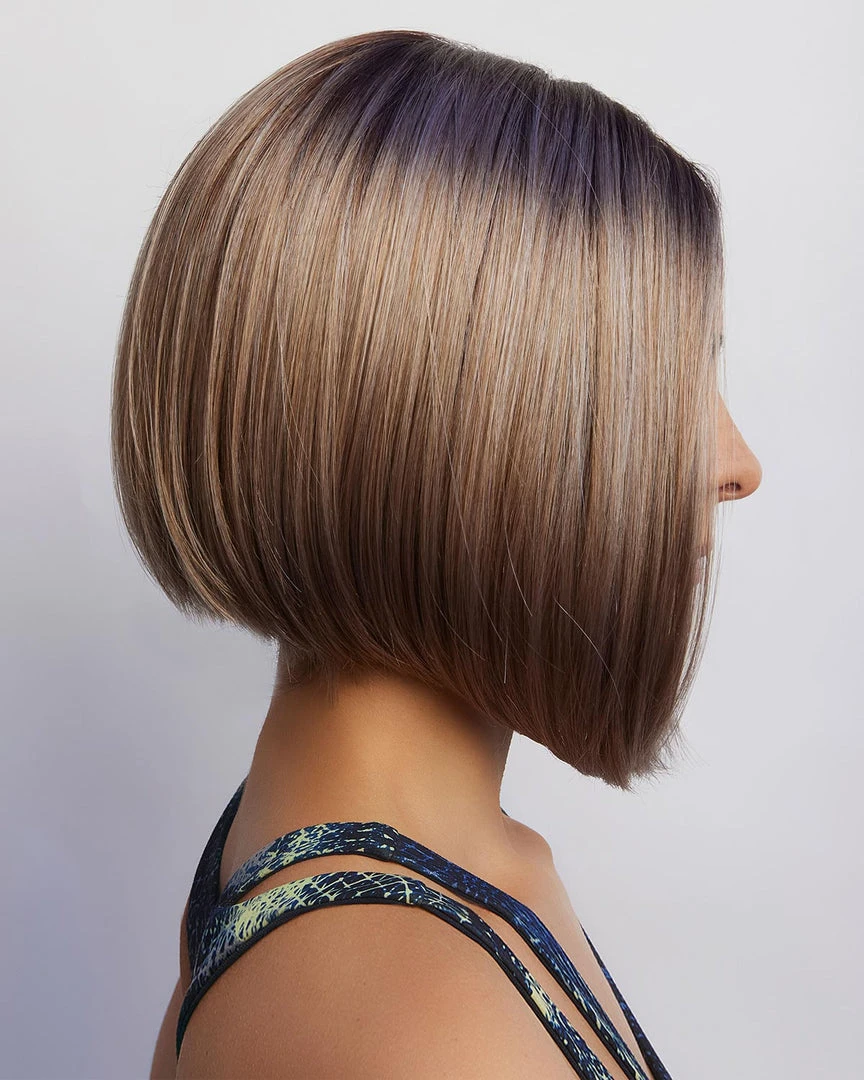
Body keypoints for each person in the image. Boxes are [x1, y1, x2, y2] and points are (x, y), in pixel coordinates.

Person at [112, 29, 762, 1080]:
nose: (738, 465)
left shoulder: (372, 874)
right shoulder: (417, 1026)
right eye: (669, 383)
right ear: (467, 435)